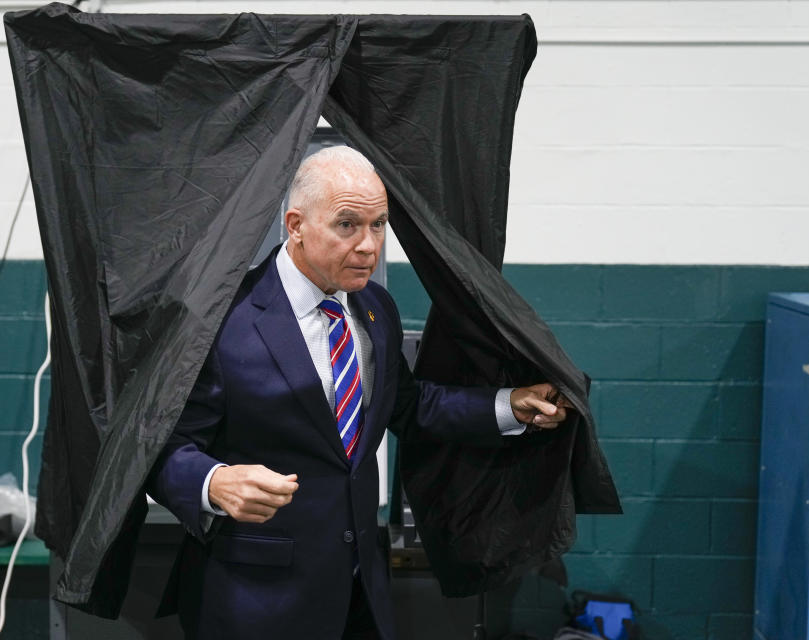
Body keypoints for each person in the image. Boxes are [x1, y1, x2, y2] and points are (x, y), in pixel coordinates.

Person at [147, 146, 571, 640]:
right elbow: (160, 446)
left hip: (359, 589)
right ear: (296, 224)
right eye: (347, 225)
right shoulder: (221, 319)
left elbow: (409, 408)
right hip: (255, 598)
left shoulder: (374, 308)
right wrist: (213, 482)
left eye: (378, 224)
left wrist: (506, 405)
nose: (369, 245)